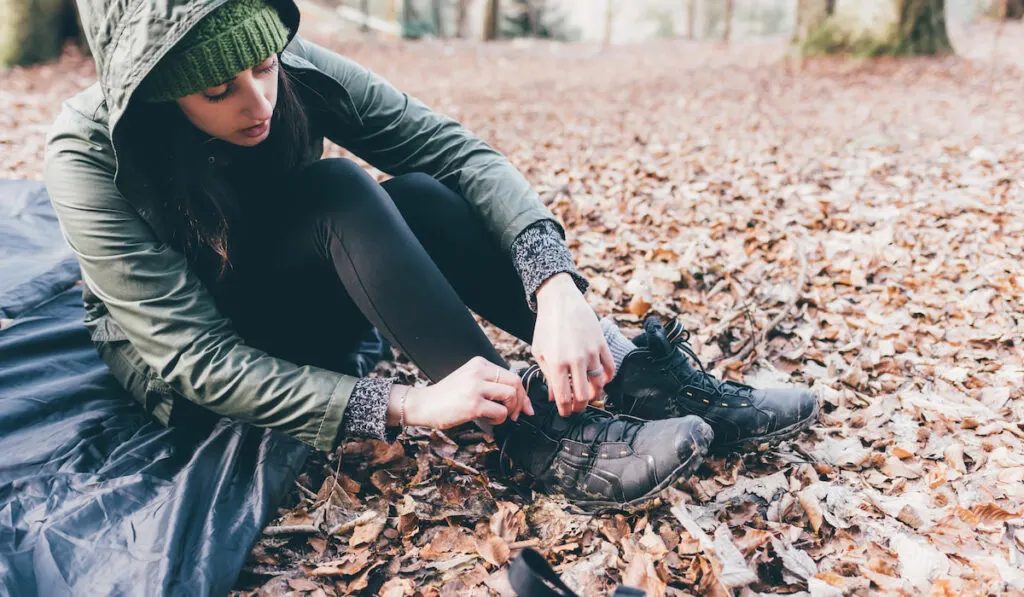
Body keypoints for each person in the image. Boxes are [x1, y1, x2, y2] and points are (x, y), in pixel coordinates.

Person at [44, 0, 818, 513]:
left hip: (293, 283)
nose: (259, 102)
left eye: (264, 66)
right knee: (345, 188)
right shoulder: (88, 158)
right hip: (209, 354)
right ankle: (534, 436)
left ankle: (630, 369)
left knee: (415, 188)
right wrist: (403, 405)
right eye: (219, 91)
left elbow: (456, 151)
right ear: (158, 93)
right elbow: (194, 358)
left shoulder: (288, 71)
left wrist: (555, 285)